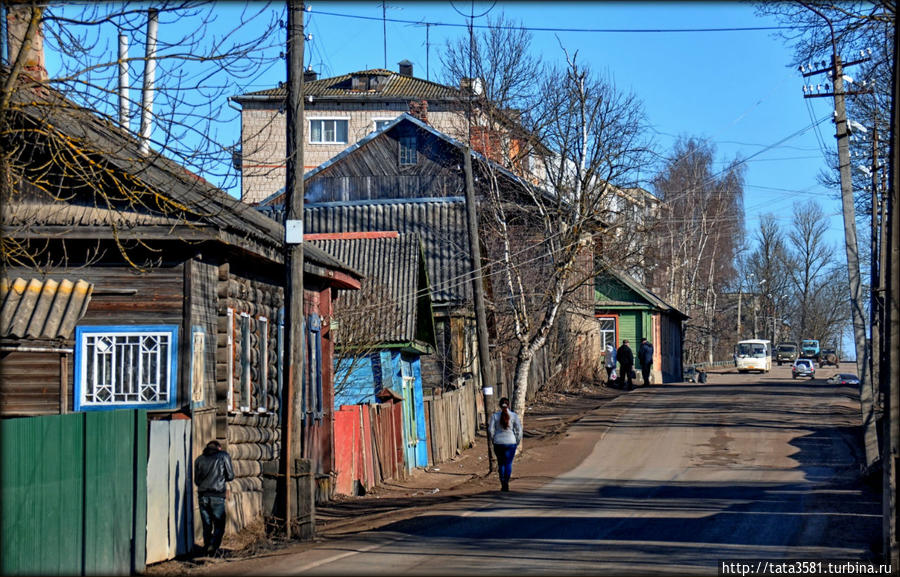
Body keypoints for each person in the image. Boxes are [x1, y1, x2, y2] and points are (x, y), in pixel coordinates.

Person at [194, 440, 234, 557]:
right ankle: (213, 547)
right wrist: (221, 479)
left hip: (203, 496)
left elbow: (197, 481)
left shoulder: (199, 459)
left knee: (207, 525)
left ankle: (207, 549)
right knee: (219, 524)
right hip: (217, 495)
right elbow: (230, 476)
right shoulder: (223, 456)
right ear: (219, 448)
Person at [488, 397, 522, 492]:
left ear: (499, 405)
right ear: (509, 405)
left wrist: (493, 439)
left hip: (498, 443)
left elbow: (490, 430)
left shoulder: (495, 416)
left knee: (501, 463)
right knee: (508, 463)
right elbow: (519, 431)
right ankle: (506, 481)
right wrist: (517, 441)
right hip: (511, 443)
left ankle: (503, 482)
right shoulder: (514, 416)